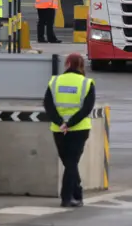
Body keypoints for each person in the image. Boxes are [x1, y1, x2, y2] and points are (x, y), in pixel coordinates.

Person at [43, 53, 96, 207]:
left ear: (66, 64)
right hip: (79, 129)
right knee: (72, 163)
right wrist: (70, 123)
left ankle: (77, 193)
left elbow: (48, 104)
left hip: (58, 129)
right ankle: (67, 197)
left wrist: (61, 123)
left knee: (69, 163)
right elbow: (87, 108)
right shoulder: (87, 83)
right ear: (82, 65)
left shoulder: (55, 81)